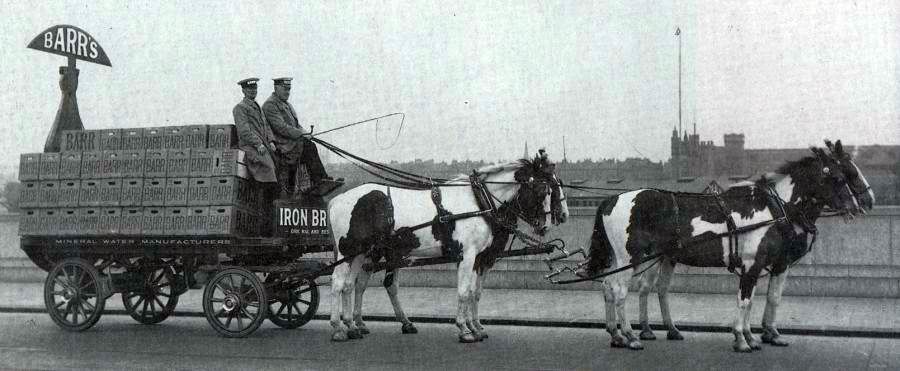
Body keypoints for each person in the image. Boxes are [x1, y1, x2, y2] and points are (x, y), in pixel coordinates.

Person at [262, 77, 342, 197]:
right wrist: (302, 135)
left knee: (309, 145)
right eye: (285, 89)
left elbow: (297, 125)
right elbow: (281, 127)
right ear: (276, 88)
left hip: (292, 144)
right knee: (309, 147)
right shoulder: (270, 105)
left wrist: (306, 133)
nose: (287, 92)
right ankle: (319, 180)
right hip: (283, 145)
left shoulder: (287, 104)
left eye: (289, 89)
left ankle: (320, 180)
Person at [232, 77, 278, 234]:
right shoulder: (240, 108)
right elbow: (244, 132)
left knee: (271, 183)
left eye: (255, 89)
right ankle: (262, 228)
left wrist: (271, 141)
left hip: (263, 147)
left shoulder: (256, 106)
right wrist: (258, 144)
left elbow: (265, 126)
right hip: (251, 148)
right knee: (266, 181)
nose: (253, 91)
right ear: (243, 90)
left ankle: (268, 225)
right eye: (250, 89)